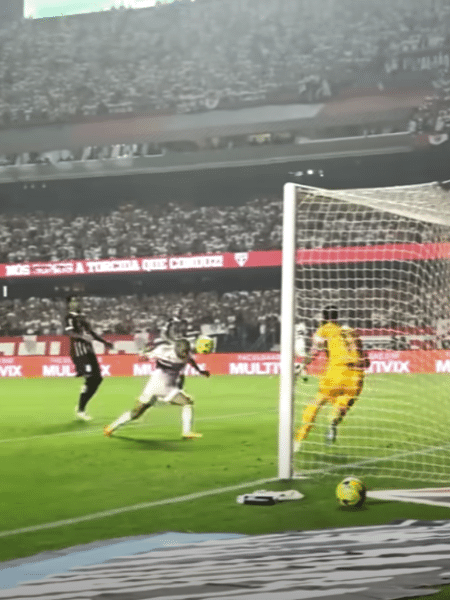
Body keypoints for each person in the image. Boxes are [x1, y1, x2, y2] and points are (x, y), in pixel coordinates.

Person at [294, 305, 370, 451]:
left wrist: (303, 364)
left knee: (316, 402)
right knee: (342, 404)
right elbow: (366, 362)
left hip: (335, 374)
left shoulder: (326, 328)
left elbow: (315, 349)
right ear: (337, 317)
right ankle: (333, 422)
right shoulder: (352, 332)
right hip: (356, 379)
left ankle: (298, 440)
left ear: (324, 317)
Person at [104, 337, 210, 439]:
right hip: (156, 385)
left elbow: (190, 360)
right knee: (136, 413)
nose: (184, 355)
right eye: (182, 353)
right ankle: (111, 427)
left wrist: (200, 371)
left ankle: (187, 432)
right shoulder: (162, 351)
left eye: (186, 353)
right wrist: (144, 355)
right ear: (176, 350)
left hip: (168, 387)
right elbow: (144, 356)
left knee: (186, 403)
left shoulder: (186, 352)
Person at [65, 295, 114, 421]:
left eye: (77, 300)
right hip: (79, 353)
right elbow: (70, 333)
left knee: (98, 379)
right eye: (74, 301)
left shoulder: (82, 318)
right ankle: (81, 410)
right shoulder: (69, 317)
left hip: (89, 351)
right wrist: (82, 337)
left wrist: (105, 342)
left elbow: (91, 333)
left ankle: (81, 405)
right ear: (69, 304)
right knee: (90, 378)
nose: (76, 303)